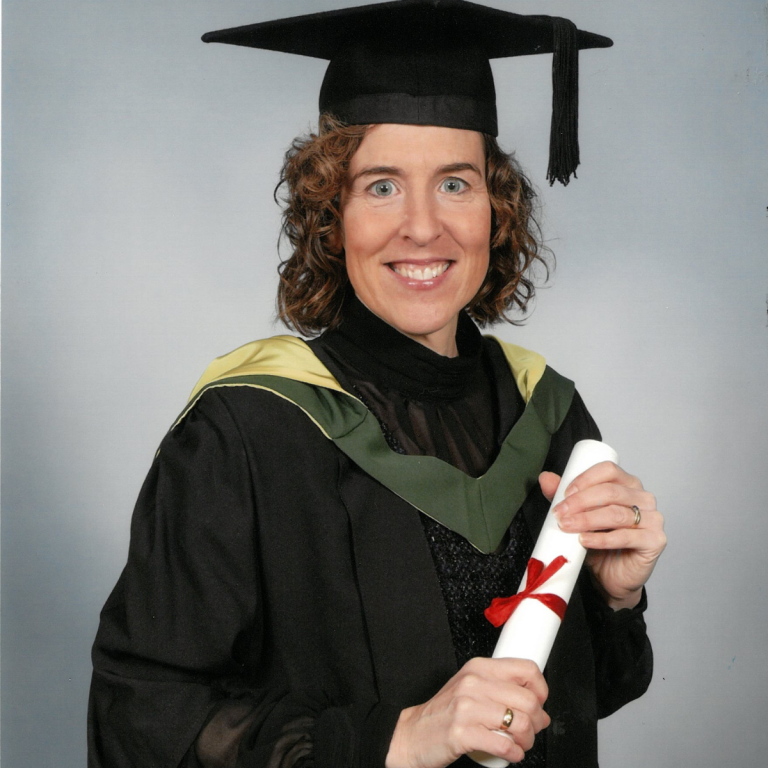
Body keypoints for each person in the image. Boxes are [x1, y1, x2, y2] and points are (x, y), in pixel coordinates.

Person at [88, 2, 667, 767]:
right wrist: (390, 740)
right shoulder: (247, 429)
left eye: (456, 184)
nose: (423, 227)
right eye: (382, 186)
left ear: (498, 211)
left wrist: (613, 598)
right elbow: (143, 715)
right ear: (331, 216)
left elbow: (584, 697)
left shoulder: (548, 410)